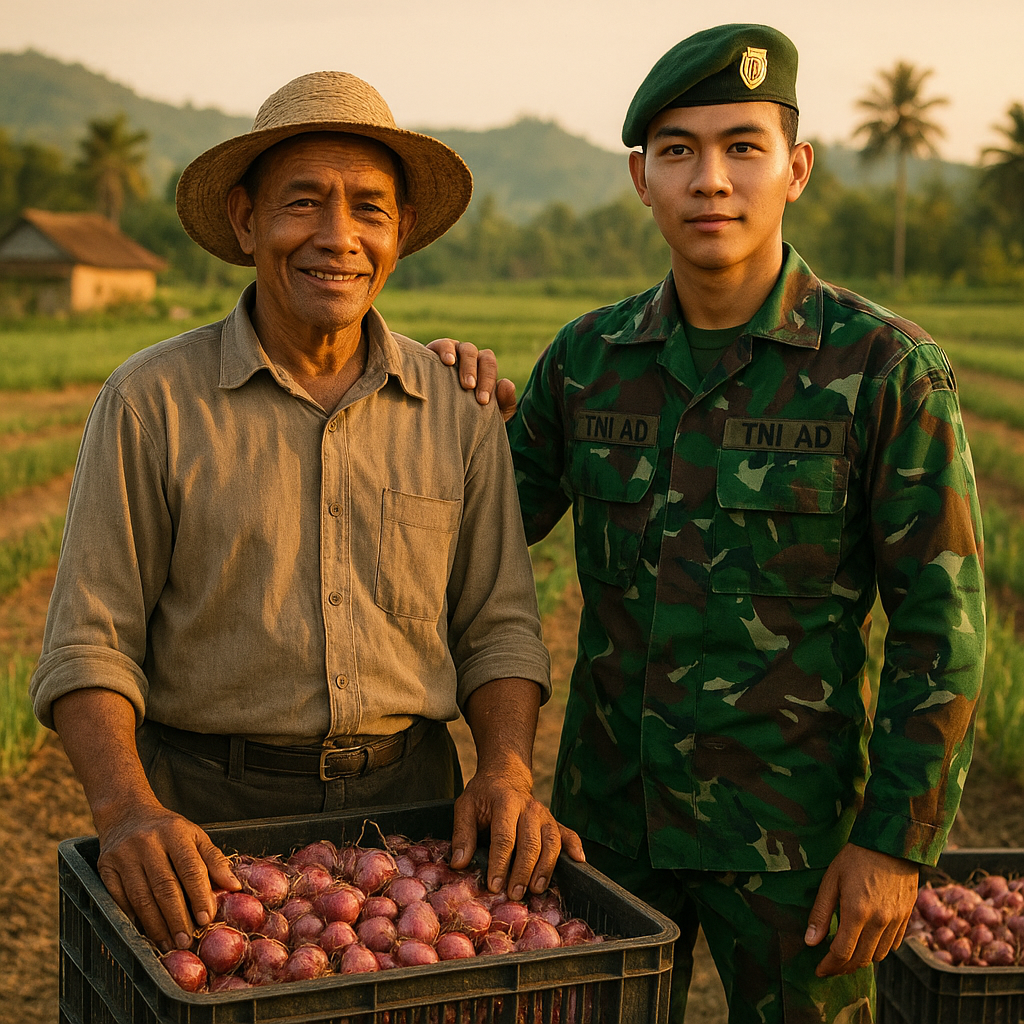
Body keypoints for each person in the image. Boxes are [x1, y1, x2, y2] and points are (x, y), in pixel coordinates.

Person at [434, 23, 985, 1023]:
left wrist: (896, 845)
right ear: (642, 178)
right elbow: (472, 541)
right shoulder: (587, 361)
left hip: (793, 849)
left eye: (742, 148)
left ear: (796, 169)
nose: (710, 181)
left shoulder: (882, 371)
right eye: (678, 152)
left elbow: (940, 633)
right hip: (605, 836)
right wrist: (418, 407)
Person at [30, 71, 582, 957]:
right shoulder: (151, 403)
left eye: (369, 208)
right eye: (303, 203)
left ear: (399, 232)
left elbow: (500, 626)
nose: (338, 237)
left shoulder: (456, 407)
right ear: (247, 222)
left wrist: (507, 768)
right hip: (208, 818)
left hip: (416, 818)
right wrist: (128, 810)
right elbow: (89, 641)